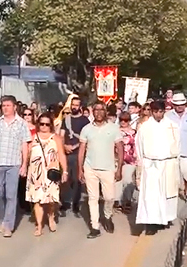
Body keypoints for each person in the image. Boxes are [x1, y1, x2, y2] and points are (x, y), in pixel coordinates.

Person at [0, 96, 31, 237]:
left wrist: (24, 164)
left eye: (8, 105)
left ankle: (8, 225)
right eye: (3, 105)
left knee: (11, 195)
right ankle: (4, 219)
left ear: (14, 107)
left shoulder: (22, 124)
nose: (5, 108)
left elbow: (25, 145)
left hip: (14, 164)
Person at [78, 101, 123, 238]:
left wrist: (119, 168)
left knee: (109, 197)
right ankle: (95, 226)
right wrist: (80, 169)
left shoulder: (114, 128)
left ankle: (107, 216)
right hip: (90, 167)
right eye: (96, 110)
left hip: (108, 168)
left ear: (106, 112)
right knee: (93, 198)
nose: (98, 112)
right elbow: (81, 150)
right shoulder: (86, 129)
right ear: (92, 112)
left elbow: (120, 148)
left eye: (101, 110)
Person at [135, 100, 181, 231]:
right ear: (151, 111)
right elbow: (139, 146)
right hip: (151, 164)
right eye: (155, 112)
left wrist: (176, 161)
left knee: (166, 194)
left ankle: (164, 218)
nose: (158, 115)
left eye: (161, 112)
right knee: (151, 195)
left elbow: (178, 144)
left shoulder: (172, 125)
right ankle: (151, 223)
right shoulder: (144, 127)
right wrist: (141, 163)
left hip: (168, 163)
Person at [27, 111, 65, 236]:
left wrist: (64, 171)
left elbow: (61, 155)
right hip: (35, 173)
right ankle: (39, 225)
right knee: (37, 200)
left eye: (47, 124)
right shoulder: (33, 138)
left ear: (51, 125)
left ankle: (51, 216)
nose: (44, 126)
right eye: (41, 124)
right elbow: (27, 154)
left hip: (51, 173)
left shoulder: (56, 138)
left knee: (50, 200)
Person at [59, 95, 90, 218]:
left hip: (78, 153)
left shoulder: (85, 121)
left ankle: (76, 205)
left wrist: (75, 146)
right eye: (73, 105)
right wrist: (64, 146)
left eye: (77, 105)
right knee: (65, 179)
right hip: (66, 153)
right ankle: (64, 202)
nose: (74, 107)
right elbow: (61, 135)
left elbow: (86, 139)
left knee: (77, 180)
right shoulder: (65, 119)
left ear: (80, 107)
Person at [166, 92, 187, 199]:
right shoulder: (167, 116)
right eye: (177, 104)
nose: (180, 106)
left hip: (186, 150)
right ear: (173, 105)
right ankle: (173, 192)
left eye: (182, 104)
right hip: (171, 151)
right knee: (172, 174)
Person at [116, 111, 138, 213]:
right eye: (121, 120)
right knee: (118, 180)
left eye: (126, 120)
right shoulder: (114, 131)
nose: (123, 122)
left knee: (128, 180)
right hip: (116, 158)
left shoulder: (134, 132)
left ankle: (128, 200)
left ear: (129, 121)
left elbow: (137, 145)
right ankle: (118, 201)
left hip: (130, 160)